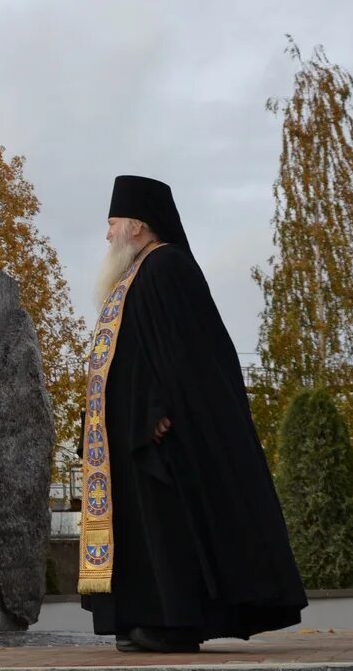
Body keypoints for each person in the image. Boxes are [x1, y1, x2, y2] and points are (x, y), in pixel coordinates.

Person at [79, 176, 307, 653]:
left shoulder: (166, 267)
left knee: (169, 529)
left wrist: (159, 408)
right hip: (128, 433)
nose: (107, 235)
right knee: (144, 530)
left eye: (112, 223)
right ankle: (144, 617)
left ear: (137, 226)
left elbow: (189, 352)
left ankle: (174, 623)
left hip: (161, 433)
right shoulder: (136, 274)